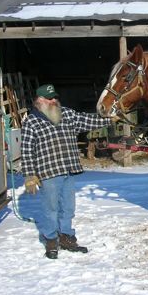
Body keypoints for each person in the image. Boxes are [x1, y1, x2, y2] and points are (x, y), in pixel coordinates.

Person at [21, 84, 113, 259]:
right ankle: (50, 240)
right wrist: (30, 175)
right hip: (48, 173)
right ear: (39, 101)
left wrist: (110, 119)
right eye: (50, 98)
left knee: (68, 208)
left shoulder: (67, 114)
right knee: (51, 208)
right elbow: (26, 150)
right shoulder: (31, 122)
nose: (54, 101)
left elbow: (88, 120)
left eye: (55, 97)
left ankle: (66, 237)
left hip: (68, 170)